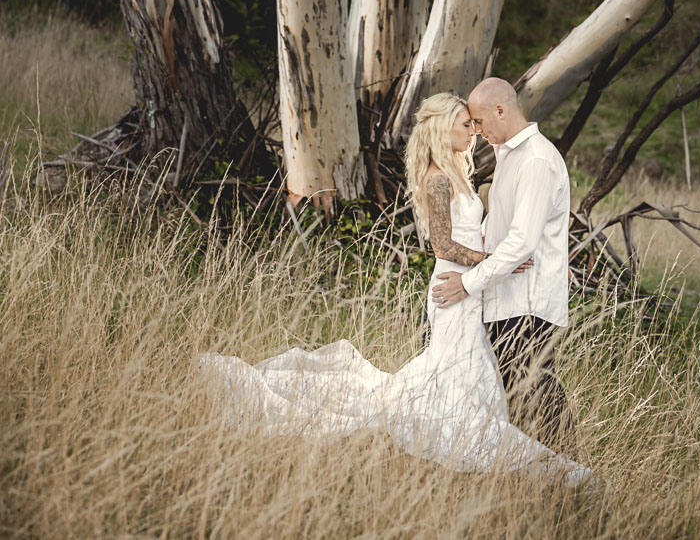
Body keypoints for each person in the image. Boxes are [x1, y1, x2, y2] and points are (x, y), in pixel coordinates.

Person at [198, 92, 589, 486]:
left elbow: (474, 232)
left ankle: (497, 456)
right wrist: (489, 262)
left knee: (471, 374)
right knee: (457, 374)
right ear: (441, 128)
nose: (473, 131)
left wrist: (499, 255)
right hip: (453, 288)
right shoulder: (437, 178)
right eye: (465, 124)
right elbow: (443, 245)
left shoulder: (459, 171)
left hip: (468, 289)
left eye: (475, 123)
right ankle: (496, 454)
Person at [433, 77, 576, 456]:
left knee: (536, 392)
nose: (477, 132)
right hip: (503, 296)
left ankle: (567, 472)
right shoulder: (509, 155)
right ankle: (532, 474)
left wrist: (467, 283)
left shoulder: (537, 161)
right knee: (512, 398)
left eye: (479, 122)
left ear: (501, 109)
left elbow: (522, 241)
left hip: (526, 302)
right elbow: (499, 227)